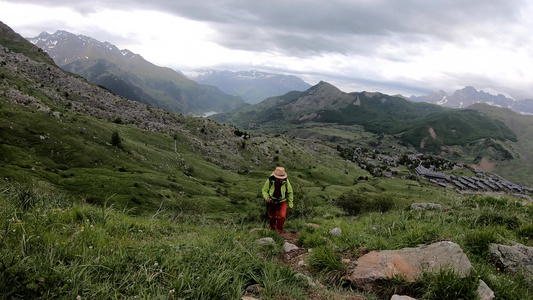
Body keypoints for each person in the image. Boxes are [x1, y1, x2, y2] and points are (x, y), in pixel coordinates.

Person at [261, 167, 294, 234]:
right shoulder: (270, 180)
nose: (281, 180)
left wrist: (290, 204)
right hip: (272, 200)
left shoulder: (286, 181)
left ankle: (279, 232)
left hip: (283, 200)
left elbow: (290, 192)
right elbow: (264, 190)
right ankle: (272, 230)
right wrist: (266, 197)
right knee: (272, 216)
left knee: (281, 216)